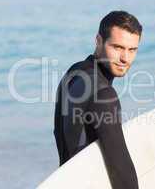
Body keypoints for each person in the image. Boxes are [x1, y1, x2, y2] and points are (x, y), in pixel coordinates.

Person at [53, 10, 142, 189]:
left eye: (132, 50)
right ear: (99, 41)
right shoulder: (104, 95)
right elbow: (121, 168)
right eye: (117, 47)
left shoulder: (74, 73)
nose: (125, 58)